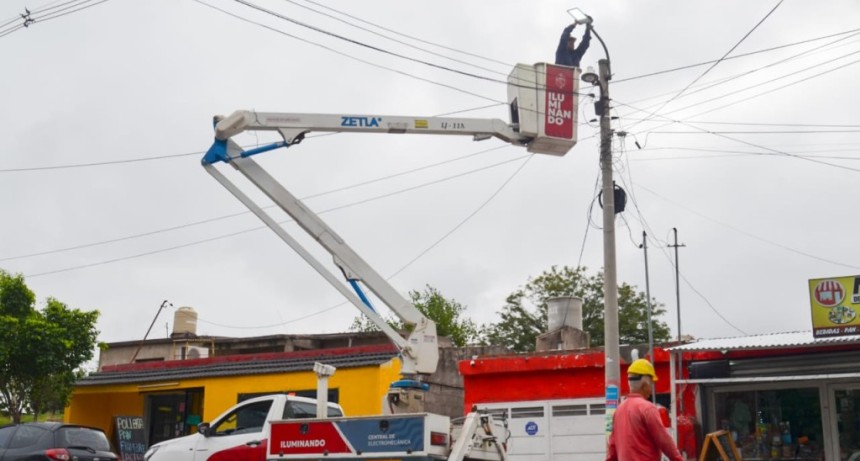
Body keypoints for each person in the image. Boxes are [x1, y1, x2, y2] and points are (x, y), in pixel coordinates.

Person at [605, 359, 686, 461]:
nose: (651, 390)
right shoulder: (647, 408)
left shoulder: (619, 410)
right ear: (645, 385)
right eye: (651, 384)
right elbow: (664, 441)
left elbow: (612, 448)